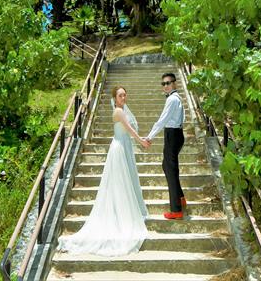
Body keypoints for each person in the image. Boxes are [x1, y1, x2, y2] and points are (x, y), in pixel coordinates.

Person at [57, 85, 149, 256]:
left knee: (126, 181)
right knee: (120, 182)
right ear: (115, 98)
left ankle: (125, 211)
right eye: (120, 95)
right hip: (119, 148)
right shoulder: (119, 112)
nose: (123, 97)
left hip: (124, 146)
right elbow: (129, 130)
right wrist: (142, 141)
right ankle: (121, 215)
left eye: (125, 95)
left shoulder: (122, 109)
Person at [144, 72, 186, 220]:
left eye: (168, 83)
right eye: (163, 84)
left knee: (170, 169)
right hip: (176, 134)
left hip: (172, 135)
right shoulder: (176, 98)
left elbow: (162, 121)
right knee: (167, 166)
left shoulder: (172, 100)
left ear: (174, 83)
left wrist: (149, 137)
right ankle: (180, 197)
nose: (166, 86)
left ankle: (176, 210)